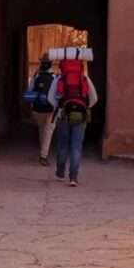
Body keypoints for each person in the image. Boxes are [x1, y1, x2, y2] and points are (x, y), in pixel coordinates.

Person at [49, 56, 98, 187]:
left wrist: (59, 107)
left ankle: (60, 173)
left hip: (62, 115)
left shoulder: (59, 79)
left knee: (62, 145)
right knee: (76, 147)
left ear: (62, 66)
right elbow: (94, 98)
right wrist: (84, 107)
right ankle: (73, 177)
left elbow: (50, 98)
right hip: (81, 116)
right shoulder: (84, 79)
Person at [27, 54, 57, 166]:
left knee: (41, 129)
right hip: (50, 108)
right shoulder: (54, 77)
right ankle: (43, 156)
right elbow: (56, 94)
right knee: (48, 131)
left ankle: (42, 150)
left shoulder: (36, 76)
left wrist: (31, 106)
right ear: (51, 63)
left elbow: (30, 90)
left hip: (38, 107)